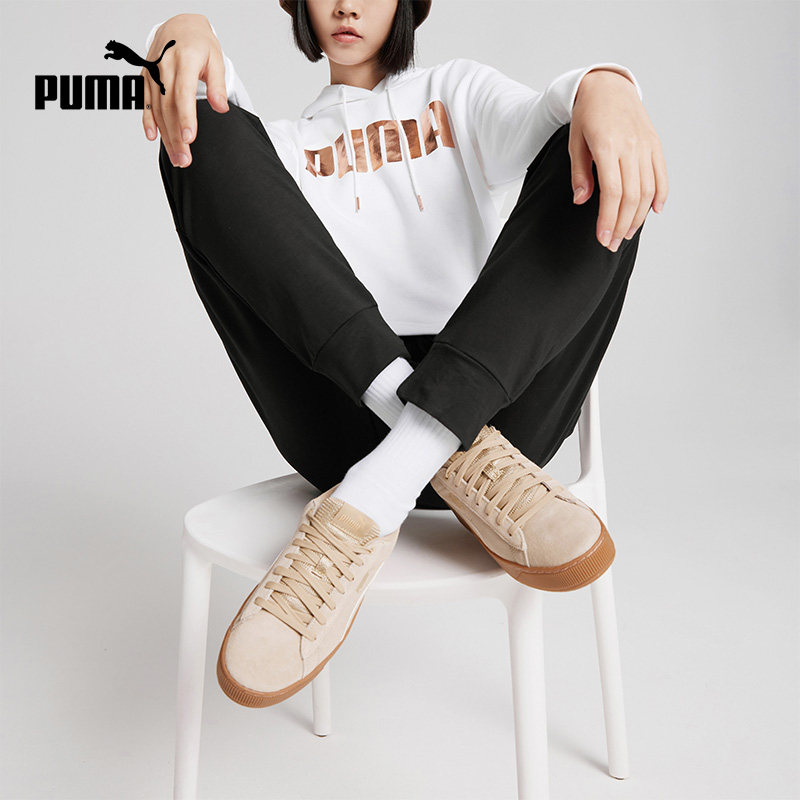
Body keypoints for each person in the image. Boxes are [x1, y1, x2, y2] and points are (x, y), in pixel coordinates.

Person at [142, 0, 667, 709]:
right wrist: (182, 28)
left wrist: (606, 84)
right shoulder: (286, 143)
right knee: (197, 131)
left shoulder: (456, 91)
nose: (346, 4)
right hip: (343, 420)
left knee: (604, 157)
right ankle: (419, 436)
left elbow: (552, 111)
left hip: (502, 417)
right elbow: (204, 91)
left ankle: (367, 503)